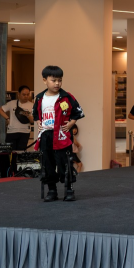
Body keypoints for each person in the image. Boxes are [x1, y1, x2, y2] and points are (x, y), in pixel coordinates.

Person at [33, 66, 86, 203]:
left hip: (62, 135)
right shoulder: (39, 98)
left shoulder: (66, 97)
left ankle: (69, 190)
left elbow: (78, 112)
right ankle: (52, 190)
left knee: (64, 163)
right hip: (46, 136)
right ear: (44, 80)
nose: (57, 83)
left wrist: (71, 124)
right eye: (53, 80)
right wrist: (38, 122)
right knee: (48, 163)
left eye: (60, 80)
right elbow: (35, 114)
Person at [0, 85, 34, 151]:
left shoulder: (32, 105)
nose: (26, 96)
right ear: (19, 94)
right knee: (10, 151)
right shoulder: (12, 103)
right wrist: (7, 118)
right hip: (12, 130)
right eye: (24, 94)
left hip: (25, 131)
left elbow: (32, 121)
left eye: (28, 94)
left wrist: (28, 115)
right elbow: (0, 110)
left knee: (21, 152)